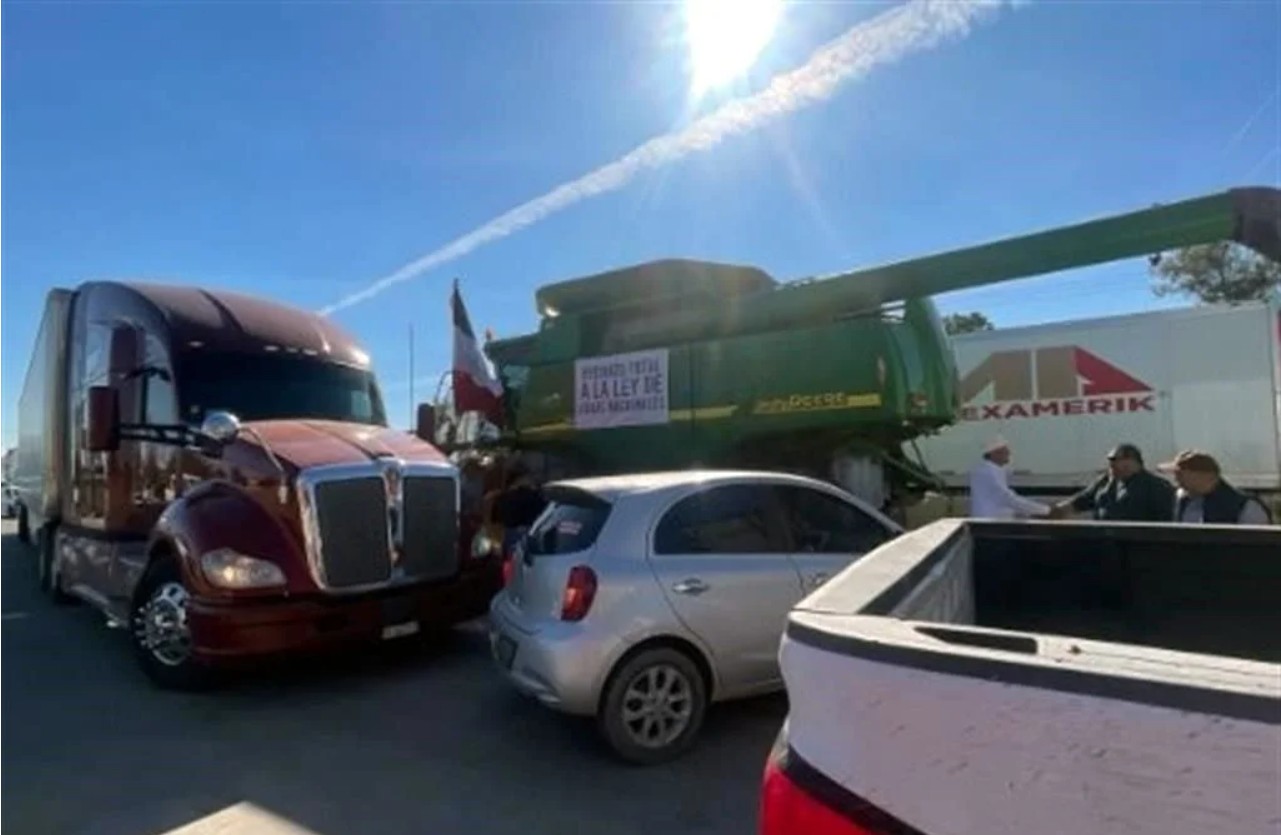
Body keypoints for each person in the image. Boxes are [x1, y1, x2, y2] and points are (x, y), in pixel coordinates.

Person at [1051, 443, 1175, 522]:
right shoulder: (1105, 482)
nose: (1113, 465)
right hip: (1105, 545)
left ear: (1134, 461)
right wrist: (1046, 513)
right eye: (1111, 462)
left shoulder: (1156, 486)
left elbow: (1168, 521)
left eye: (1118, 460)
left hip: (1138, 548)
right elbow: (1077, 503)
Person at [1159, 450, 1273, 525]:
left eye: (1180, 475)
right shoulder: (1182, 500)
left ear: (1204, 476)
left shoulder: (1245, 507)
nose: (1176, 480)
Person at [968, 436, 1052, 520]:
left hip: (996, 521)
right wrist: (1045, 510)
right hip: (991, 523)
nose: (1009, 453)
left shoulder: (991, 469)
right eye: (1005, 451)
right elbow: (1007, 498)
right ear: (994, 454)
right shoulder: (987, 472)